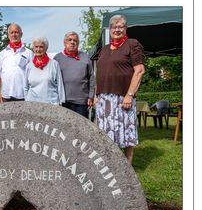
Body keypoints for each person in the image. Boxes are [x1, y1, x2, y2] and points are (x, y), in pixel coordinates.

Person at [95, 14, 145, 164]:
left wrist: (130, 94)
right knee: (105, 134)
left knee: (126, 134)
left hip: (123, 97)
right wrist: (96, 94)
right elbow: (100, 73)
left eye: (120, 26)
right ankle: (109, 164)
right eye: (114, 27)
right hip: (104, 99)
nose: (117, 29)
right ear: (109, 30)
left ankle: (127, 168)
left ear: (125, 28)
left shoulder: (132, 44)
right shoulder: (103, 49)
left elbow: (139, 70)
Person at [54, 31, 95, 118]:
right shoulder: (57, 58)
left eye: (75, 41)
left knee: (81, 128)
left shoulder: (85, 57)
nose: (72, 42)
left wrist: (91, 96)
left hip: (81, 102)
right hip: (63, 101)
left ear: (78, 43)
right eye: (70, 40)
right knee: (63, 128)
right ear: (64, 43)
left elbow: (91, 78)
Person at [0, 23, 33, 102]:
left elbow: (33, 74)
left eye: (16, 32)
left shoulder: (29, 53)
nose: (14, 35)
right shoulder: (2, 53)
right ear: (8, 35)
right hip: (5, 95)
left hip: (24, 95)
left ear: (21, 34)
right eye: (11, 32)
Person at [24, 37, 65, 105]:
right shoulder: (29, 66)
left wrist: (61, 102)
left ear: (46, 48)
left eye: (41, 47)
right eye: (36, 47)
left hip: (51, 104)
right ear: (33, 48)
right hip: (32, 104)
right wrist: (26, 102)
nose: (38, 49)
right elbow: (26, 87)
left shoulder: (54, 64)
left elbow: (60, 85)